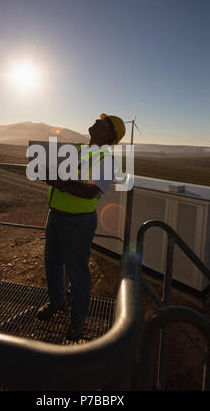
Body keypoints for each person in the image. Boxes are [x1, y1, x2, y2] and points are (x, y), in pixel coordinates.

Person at [37, 113, 126, 341]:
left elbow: (90, 192)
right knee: (52, 264)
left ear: (110, 135)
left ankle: (78, 320)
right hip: (54, 217)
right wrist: (45, 169)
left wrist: (62, 184)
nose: (97, 121)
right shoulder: (76, 150)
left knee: (77, 273)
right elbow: (61, 172)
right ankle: (57, 302)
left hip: (77, 222)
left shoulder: (105, 160)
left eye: (103, 122)